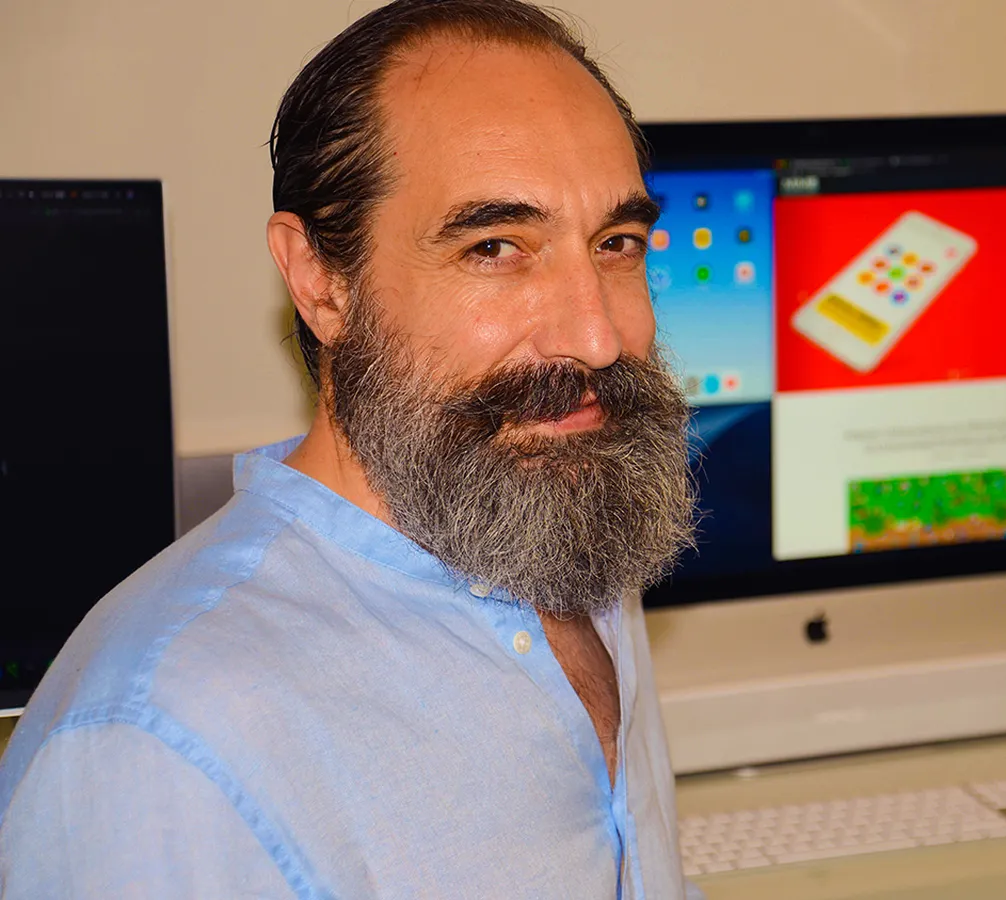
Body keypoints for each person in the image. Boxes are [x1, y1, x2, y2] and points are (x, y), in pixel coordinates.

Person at [0, 2, 702, 897]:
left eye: (616, 243)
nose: (598, 337)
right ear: (319, 281)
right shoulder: (157, 747)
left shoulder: (563, 521)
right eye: (495, 247)